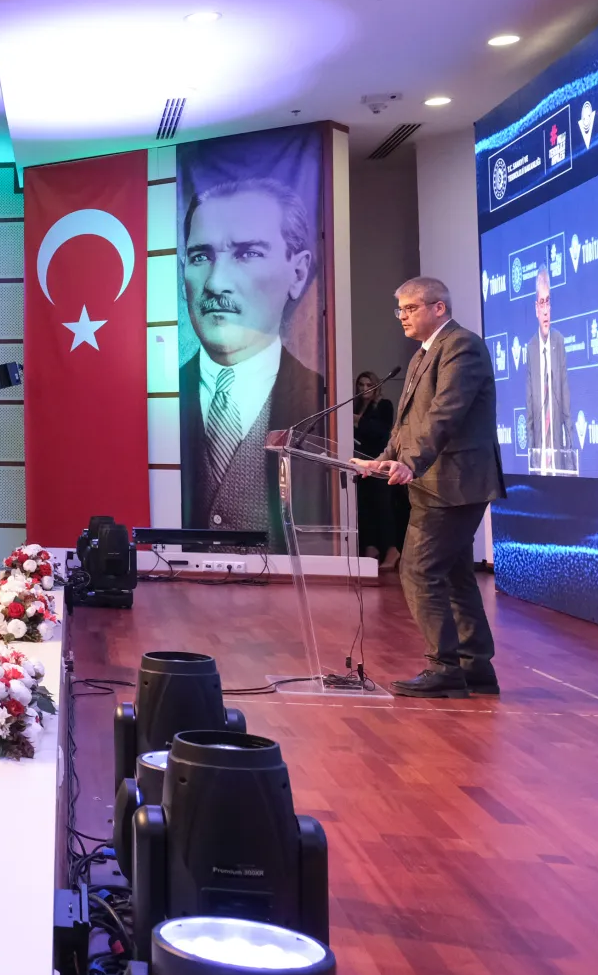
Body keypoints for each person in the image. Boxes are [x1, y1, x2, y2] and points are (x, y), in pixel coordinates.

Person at [352, 277, 507, 698]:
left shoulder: (462, 346)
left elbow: (445, 415)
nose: (402, 316)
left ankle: (444, 668)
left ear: (438, 308)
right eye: (399, 309)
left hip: (455, 482)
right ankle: (474, 668)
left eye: (410, 308)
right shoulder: (423, 353)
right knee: (455, 575)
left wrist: (410, 462)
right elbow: (407, 422)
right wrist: (384, 458)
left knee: (418, 569)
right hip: (435, 483)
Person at [178, 177, 328, 544]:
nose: (216, 283)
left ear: (298, 273)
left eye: (248, 254)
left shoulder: (324, 400)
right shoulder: (155, 401)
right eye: (201, 257)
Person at [525, 268, 574, 474]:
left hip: (558, 454)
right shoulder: (531, 348)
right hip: (539, 457)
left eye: (548, 302)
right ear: (536, 308)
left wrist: (570, 457)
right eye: (542, 303)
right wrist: (531, 457)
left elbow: (565, 402)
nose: (546, 310)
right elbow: (529, 409)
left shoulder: (558, 342)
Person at [352, 371, 399, 567]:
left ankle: (392, 550)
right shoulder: (355, 406)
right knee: (364, 507)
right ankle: (371, 548)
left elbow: (382, 432)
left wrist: (357, 421)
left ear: (376, 386)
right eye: (361, 385)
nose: (364, 388)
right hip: (360, 464)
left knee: (383, 508)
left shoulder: (384, 405)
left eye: (368, 385)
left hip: (379, 463)